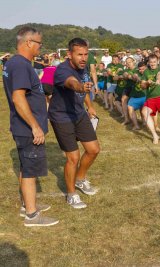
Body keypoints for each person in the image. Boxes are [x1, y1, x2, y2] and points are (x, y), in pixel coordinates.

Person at [2, 26, 58, 226]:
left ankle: (28, 204)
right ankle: (32, 215)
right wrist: (35, 126)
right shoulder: (20, 65)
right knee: (30, 170)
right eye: (39, 43)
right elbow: (18, 98)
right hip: (27, 128)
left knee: (26, 165)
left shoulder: (14, 63)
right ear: (28, 42)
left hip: (21, 126)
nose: (40, 48)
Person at [48, 38, 100, 209]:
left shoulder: (83, 67)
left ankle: (80, 179)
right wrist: (80, 87)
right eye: (79, 55)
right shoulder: (63, 70)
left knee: (93, 150)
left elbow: (84, 87)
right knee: (73, 158)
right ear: (70, 54)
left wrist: (90, 106)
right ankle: (71, 194)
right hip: (62, 117)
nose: (83, 58)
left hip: (79, 114)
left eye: (86, 54)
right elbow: (74, 83)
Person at [141, 54, 160, 145]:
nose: (153, 64)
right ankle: (155, 135)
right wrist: (146, 83)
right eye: (151, 62)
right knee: (144, 113)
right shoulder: (146, 72)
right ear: (148, 63)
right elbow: (142, 86)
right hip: (151, 98)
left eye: (154, 62)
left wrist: (157, 80)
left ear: (157, 61)